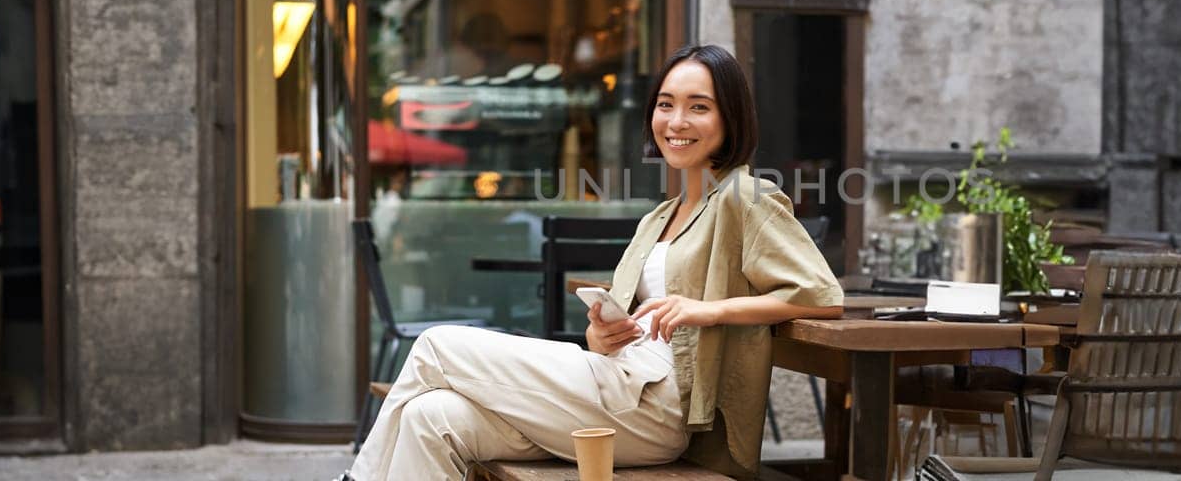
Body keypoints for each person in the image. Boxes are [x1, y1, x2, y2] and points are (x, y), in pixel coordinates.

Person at [344, 44, 845, 480]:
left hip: (657, 406)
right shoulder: (659, 218)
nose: (677, 122)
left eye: (699, 107)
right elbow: (614, 336)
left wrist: (707, 309)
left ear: (730, 118)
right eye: (666, 105)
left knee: (436, 344)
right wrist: (602, 335)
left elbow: (820, 298)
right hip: (614, 391)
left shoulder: (746, 196)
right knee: (431, 416)